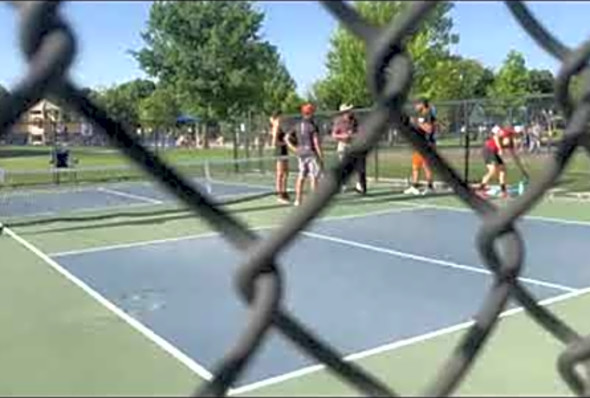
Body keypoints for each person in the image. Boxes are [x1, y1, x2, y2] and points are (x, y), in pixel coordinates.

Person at [286, 103, 324, 206]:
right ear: (310, 113)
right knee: (313, 177)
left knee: (301, 176)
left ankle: (298, 200)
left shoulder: (297, 125)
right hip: (310, 153)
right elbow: (316, 142)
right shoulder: (312, 126)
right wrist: (321, 156)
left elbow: (287, 137)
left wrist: (294, 149)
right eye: (312, 111)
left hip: (301, 154)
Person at [477, 124, 528, 198]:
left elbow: (514, 156)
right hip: (488, 149)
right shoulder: (507, 132)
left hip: (494, 152)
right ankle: (480, 190)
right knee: (493, 170)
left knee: (503, 170)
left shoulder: (511, 142)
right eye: (519, 134)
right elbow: (495, 137)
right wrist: (500, 148)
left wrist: (522, 169)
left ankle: (503, 192)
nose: (519, 137)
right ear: (515, 132)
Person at [331, 103, 366, 195]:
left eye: (351, 110)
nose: (350, 112)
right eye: (348, 110)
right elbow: (334, 135)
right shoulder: (338, 121)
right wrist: (343, 136)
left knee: (357, 165)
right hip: (343, 145)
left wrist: (353, 136)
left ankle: (359, 185)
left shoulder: (354, 121)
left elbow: (359, 133)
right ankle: (343, 184)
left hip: (353, 144)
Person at [404, 98, 436, 195]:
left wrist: (418, 123)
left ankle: (430, 187)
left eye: (417, 104)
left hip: (427, 143)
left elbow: (429, 129)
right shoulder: (420, 115)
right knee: (415, 166)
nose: (415, 106)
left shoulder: (428, 114)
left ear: (422, 104)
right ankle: (414, 186)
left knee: (426, 166)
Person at [269, 110, 290, 204]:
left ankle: (284, 191)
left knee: (286, 173)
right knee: (280, 173)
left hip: (284, 150)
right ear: (278, 116)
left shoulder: (281, 125)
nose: (283, 117)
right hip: (280, 151)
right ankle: (279, 193)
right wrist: (284, 142)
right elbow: (274, 142)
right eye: (282, 116)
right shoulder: (276, 126)